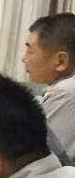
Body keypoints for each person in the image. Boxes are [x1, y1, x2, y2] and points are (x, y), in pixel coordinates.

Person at [23, 13, 75, 161]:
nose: (24, 59)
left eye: (30, 51)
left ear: (60, 61)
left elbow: (37, 156)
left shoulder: (66, 92)